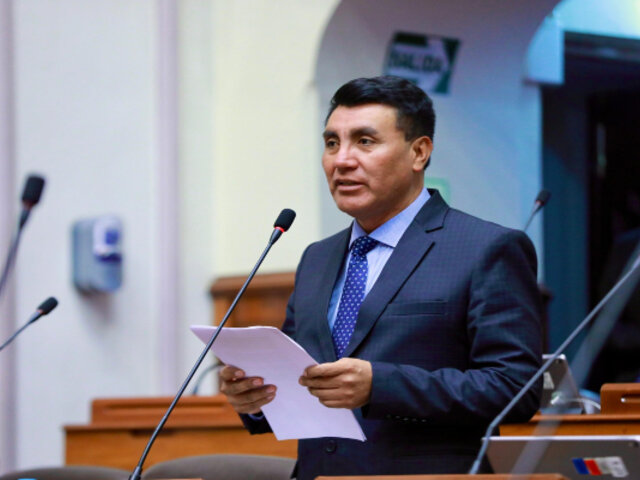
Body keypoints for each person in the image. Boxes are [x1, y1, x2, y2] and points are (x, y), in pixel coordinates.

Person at [219, 76, 543, 479]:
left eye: (365, 141)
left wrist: (381, 386)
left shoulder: (485, 248)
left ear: (419, 152)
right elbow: (300, 382)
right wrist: (256, 398)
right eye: (332, 143)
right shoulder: (317, 257)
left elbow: (516, 388)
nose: (342, 160)